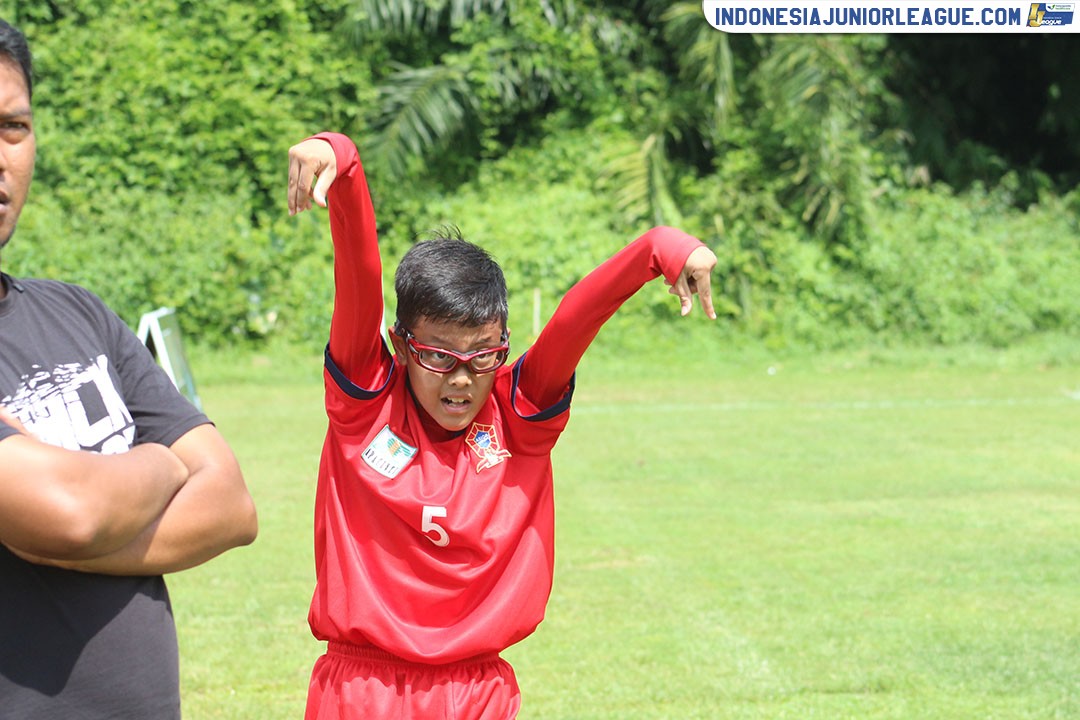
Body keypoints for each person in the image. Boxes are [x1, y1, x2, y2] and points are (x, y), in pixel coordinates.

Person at [287, 130, 717, 720]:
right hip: (363, 693)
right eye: (439, 356)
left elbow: (575, 319)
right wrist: (343, 161)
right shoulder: (365, 405)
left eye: (483, 356)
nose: (461, 380)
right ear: (401, 346)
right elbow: (358, 277)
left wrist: (662, 247)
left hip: (476, 696)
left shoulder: (518, 417)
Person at [0, 18, 258, 719]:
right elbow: (74, 514)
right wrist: (166, 464)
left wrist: (68, 525)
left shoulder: (77, 312)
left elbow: (232, 505)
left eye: (13, 127)